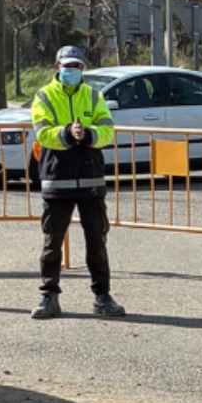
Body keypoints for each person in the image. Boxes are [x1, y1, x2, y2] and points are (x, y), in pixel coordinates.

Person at [29, 45, 127, 319]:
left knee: (97, 240)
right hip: (57, 179)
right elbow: (43, 133)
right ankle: (49, 296)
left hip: (90, 180)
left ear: (83, 69)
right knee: (52, 242)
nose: (71, 71)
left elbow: (108, 131)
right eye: (66, 66)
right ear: (56, 67)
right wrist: (67, 134)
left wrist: (87, 134)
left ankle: (103, 296)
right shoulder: (44, 96)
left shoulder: (94, 96)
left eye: (76, 66)